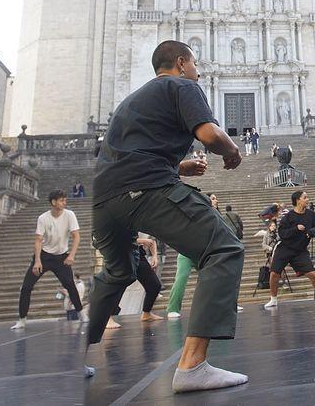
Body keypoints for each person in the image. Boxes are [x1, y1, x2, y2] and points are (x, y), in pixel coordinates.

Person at [87, 40, 247, 394]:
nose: (199, 72)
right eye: (195, 64)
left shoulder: (133, 101)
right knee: (223, 247)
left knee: (117, 272)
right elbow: (208, 134)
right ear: (180, 63)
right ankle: (192, 366)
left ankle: (78, 354)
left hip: (103, 201)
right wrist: (232, 150)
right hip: (144, 191)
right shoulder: (182, 85)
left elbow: (125, 157)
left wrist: (179, 166)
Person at [12, 189, 82, 329]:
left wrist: (71, 255)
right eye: (62, 200)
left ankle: (81, 313)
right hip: (44, 256)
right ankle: (22, 319)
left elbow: (76, 236)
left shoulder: (70, 215)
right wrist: (37, 261)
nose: (64, 203)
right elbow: (38, 240)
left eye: (65, 200)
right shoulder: (43, 218)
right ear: (53, 202)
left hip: (61, 257)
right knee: (26, 287)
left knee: (70, 284)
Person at [264, 190, 315, 308]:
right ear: (298, 200)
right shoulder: (289, 216)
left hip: (300, 250)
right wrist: (296, 228)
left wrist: (311, 232)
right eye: (305, 197)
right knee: (274, 273)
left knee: (313, 274)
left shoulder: (312, 215)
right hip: (285, 248)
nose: (307, 199)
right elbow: (282, 233)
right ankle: (273, 299)